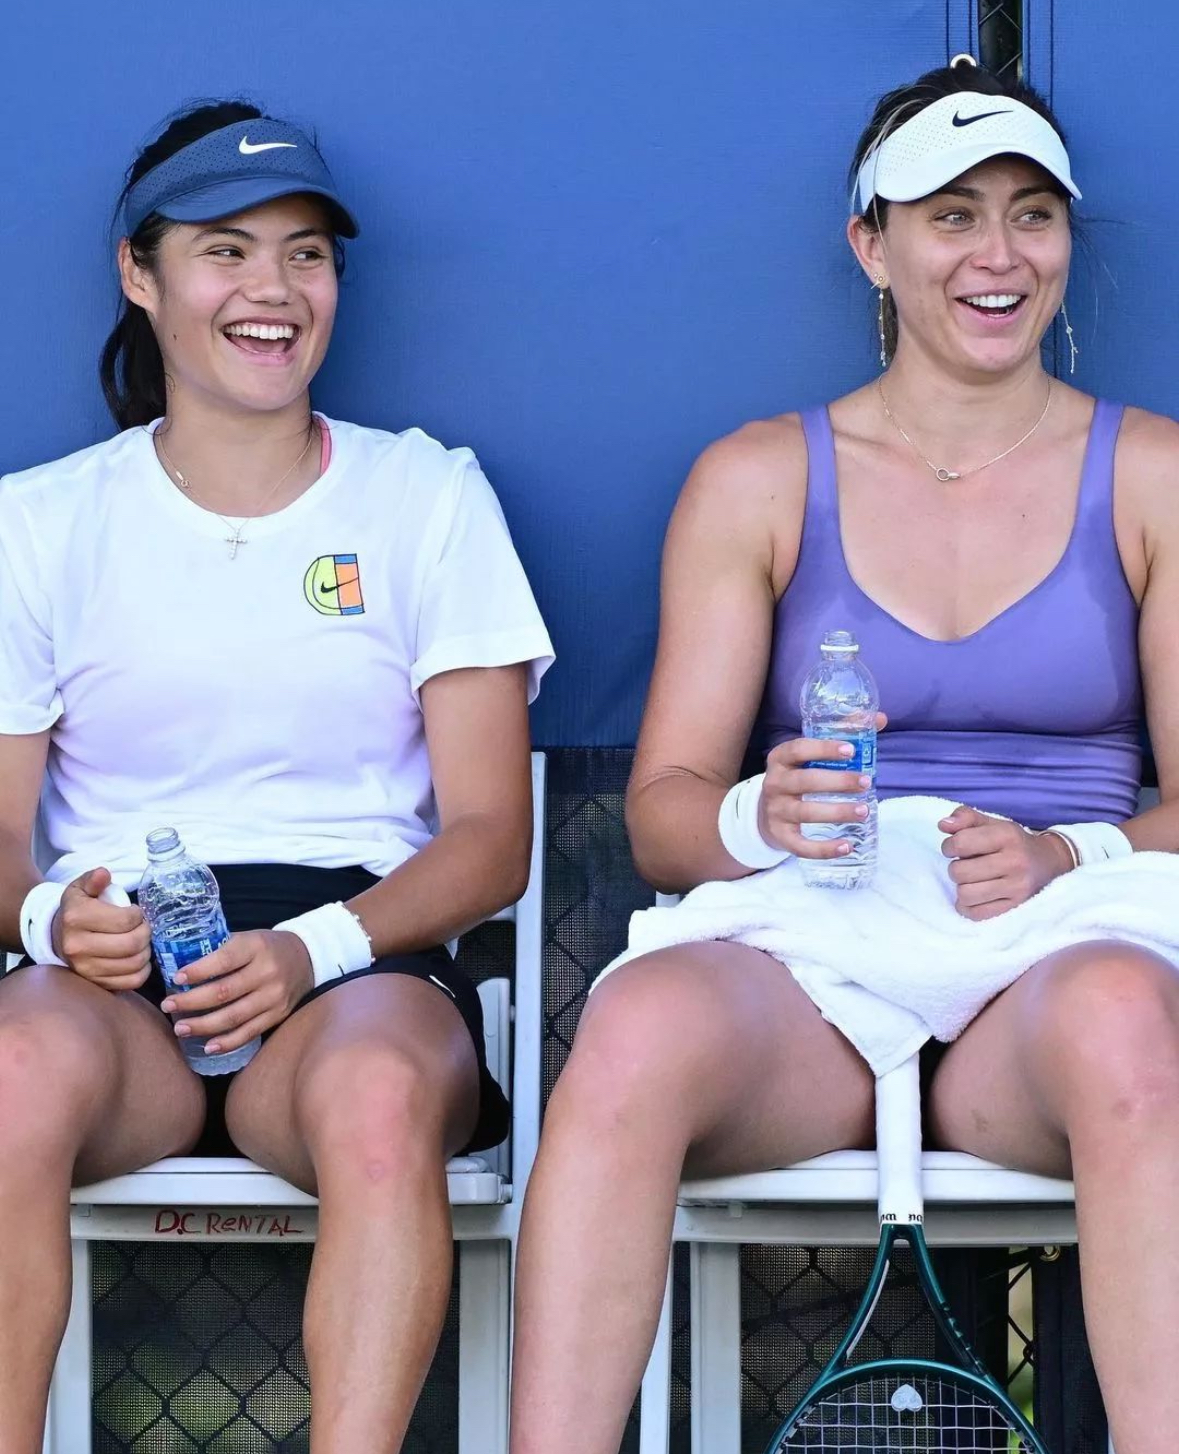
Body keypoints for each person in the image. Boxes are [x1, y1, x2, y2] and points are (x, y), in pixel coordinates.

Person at [510, 57, 1179, 1454]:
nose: (999, 256)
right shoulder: (755, 476)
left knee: (1129, 1019)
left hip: (1056, 958)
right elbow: (663, 815)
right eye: (952, 216)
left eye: (1032, 215)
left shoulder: (1153, 474)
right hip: (816, 957)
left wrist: (1068, 851)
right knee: (632, 1028)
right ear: (873, 244)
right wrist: (761, 815)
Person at [0, 100, 552, 1454]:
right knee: (10, 1080)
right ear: (140, 275)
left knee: (381, 1101)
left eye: (305, 254)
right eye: (226, 250)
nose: (274, 289)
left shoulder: (425, 497)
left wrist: (313, 948)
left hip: (354, 960)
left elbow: (492, 836)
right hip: (112, 983)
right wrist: (48, 918)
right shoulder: (40, 520)